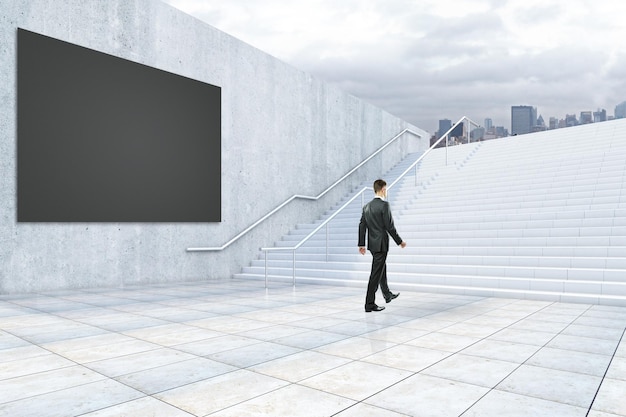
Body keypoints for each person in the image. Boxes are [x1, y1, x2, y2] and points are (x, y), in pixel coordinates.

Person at [358, 179, 407, 312]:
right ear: (383, 189)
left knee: (381, 269)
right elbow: (389, 226)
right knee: (375, 274)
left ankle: (387, 294)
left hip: (373, 245)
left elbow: (362, 226)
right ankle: (369, 304)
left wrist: (361, 244)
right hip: (381, 244)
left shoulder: (366, 207)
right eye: (386, 189)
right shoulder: (384, 205)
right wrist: (400, 241)